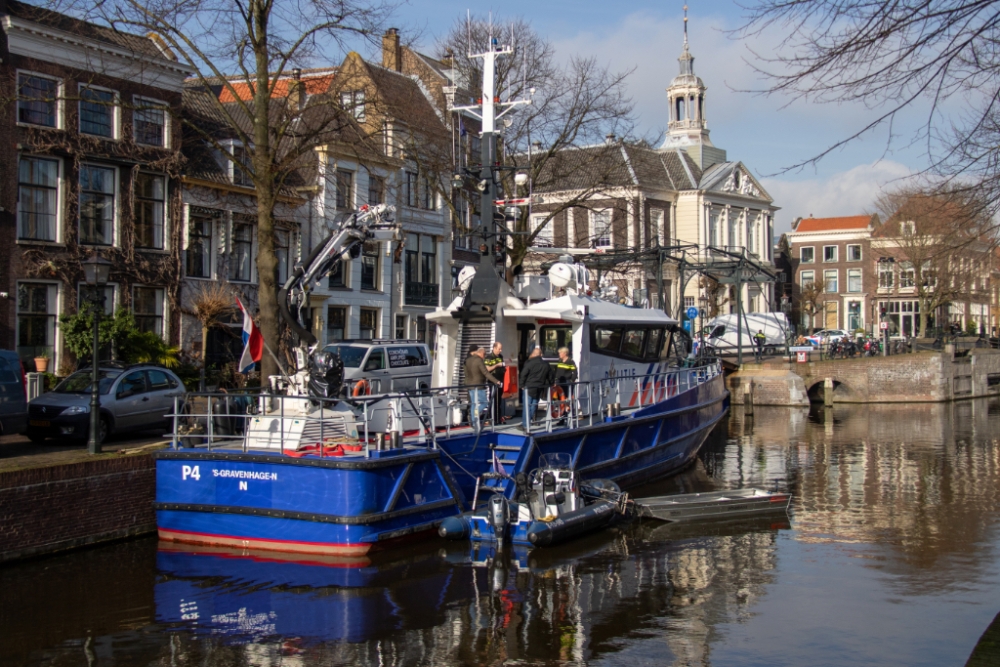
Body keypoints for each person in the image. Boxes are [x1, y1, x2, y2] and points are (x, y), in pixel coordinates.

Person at [464, 345, 501, 431]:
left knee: (473, 403)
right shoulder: (479, 361)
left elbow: (466, 373)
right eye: (484, 355)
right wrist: (496, 381)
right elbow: (486, 373)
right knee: (484, 403)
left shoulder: (468, 360)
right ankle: (475, 416)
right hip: (479, 385)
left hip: (470, 385)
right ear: (481, 353)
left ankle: (474, 422)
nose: (484, 357)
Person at [519, 347, 554, 430]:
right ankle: (528, 422)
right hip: (539, 388)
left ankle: (525, 425)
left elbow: (523, 374)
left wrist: (521, 385)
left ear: (534, 354)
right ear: (540, 354)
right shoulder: (546, 364)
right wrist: (551, 383)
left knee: (526, 406)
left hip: (529, 387)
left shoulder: (529, 363)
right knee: (533, 406)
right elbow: (550, 376)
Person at [484, 342, 506, 424]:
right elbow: (487, 369)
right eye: (499, 349)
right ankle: (492, 418)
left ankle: (498, 418)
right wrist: (497, 365)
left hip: (500, 381)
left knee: (499, 400)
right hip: (493, 381)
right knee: (493, 400)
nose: (500, 350)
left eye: (501, 349)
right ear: (494, 348)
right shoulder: (489, 357)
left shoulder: (501, 356)